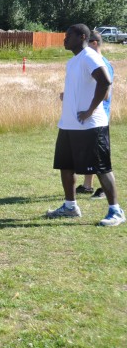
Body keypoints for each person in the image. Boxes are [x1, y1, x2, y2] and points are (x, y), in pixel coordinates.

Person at [46, 24, 124, 226]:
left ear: (82, 36)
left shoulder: (90, 56)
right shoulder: (74, 61)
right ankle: (70, 206)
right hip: (69, 125)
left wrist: (90, 110)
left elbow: (105, 82)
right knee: (65, 166)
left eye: (68, 36)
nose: (64, 39)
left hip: (91, 126)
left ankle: (116, 211)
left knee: (101, 167)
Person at [75, 30, 114, 200]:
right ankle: (87, 186)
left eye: (88, 42)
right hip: (89, 115)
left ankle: (106, 191)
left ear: (94, 43)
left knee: (100, 156)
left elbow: (106, 92)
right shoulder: (90, 61)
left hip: (99, 115)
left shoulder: (103, 63)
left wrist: (90, 109)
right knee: (91, 153)